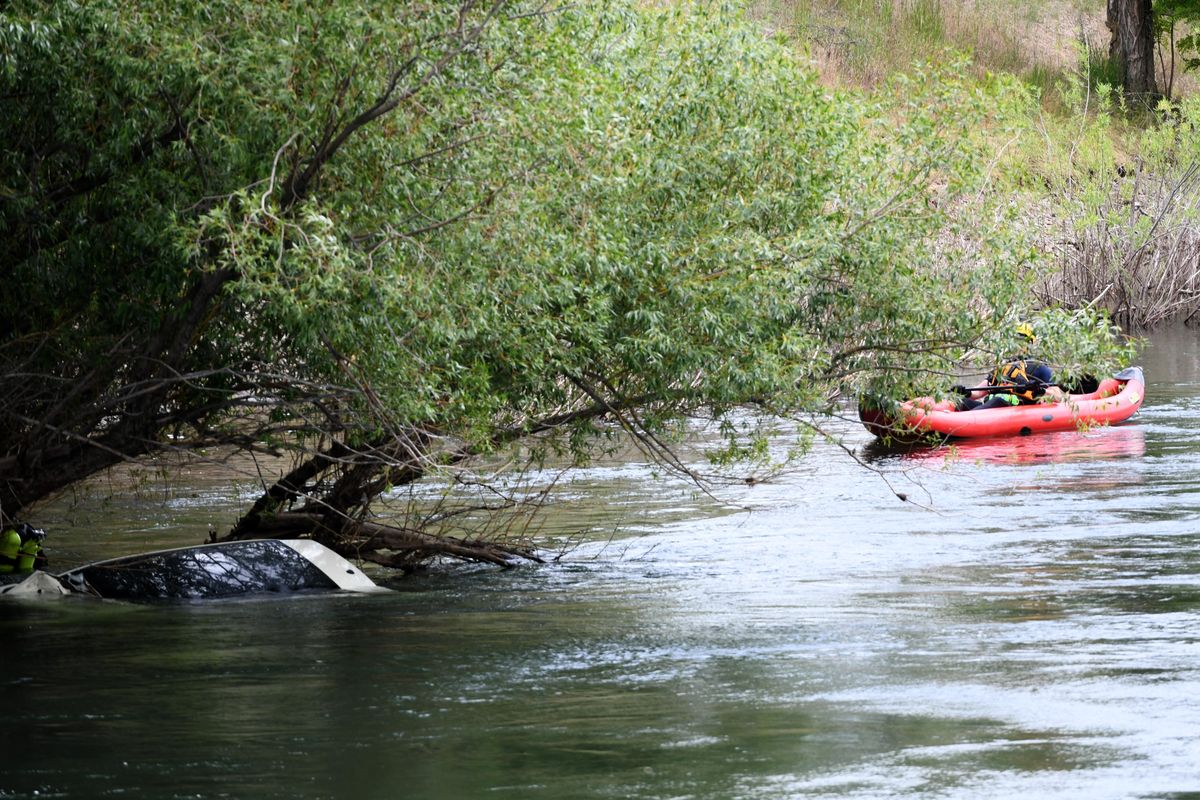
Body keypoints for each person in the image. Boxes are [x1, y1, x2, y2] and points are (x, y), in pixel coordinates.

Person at [955, 323, 1068, 411]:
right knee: (960, 401)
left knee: (997, 400)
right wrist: (965, 392)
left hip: (1017, 408)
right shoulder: (1002, 367)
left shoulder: (1038, 367)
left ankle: (965, 422)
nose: (1017, 344)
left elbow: (1058, 396)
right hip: (991, 408)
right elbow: (978, 393)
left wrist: (1038, 390)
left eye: (1021, 340)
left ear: (1030, 342)